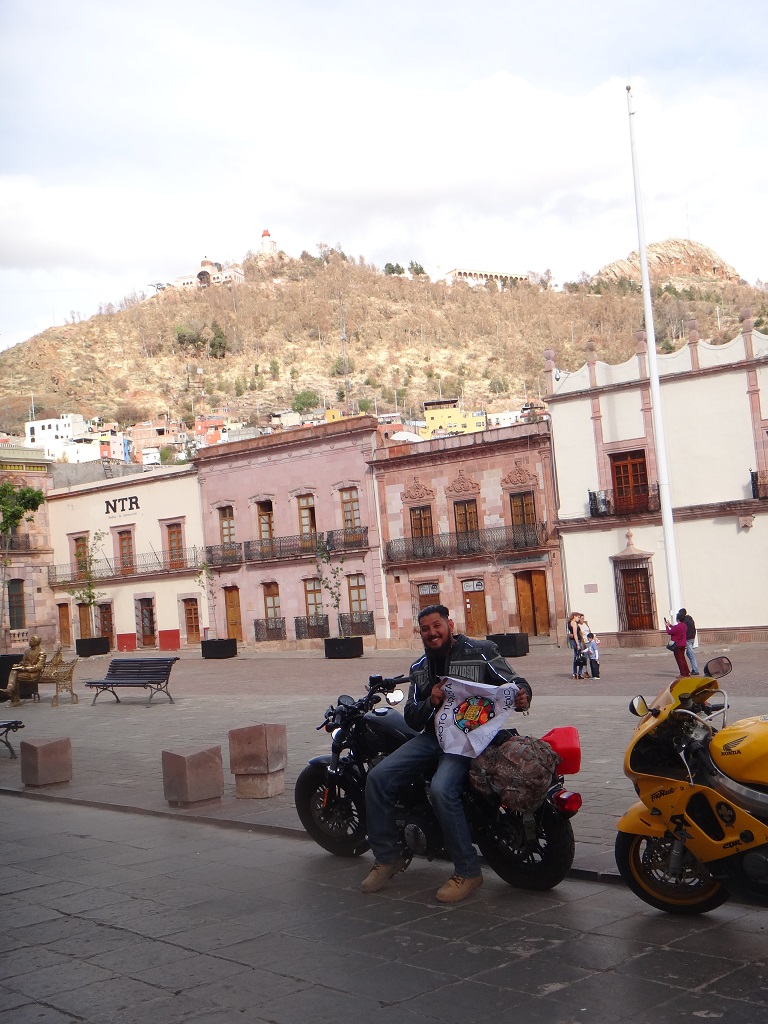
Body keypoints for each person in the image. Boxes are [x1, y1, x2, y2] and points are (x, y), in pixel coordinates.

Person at [361, 605, 532, 904]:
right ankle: (387, 857)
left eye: (436, 625)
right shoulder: (419, 668)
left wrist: (522, 695)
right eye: (425, 629)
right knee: (377, 777)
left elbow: (514, 681)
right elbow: (413, 717)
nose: (432, 633)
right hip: (431, 739)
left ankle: (468, 870)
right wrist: (431, 700)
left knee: (442, 788)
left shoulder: (480, 651)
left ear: (449, 624)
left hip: (470, 740)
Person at [1, 635, 46, 706]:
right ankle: (10, 691)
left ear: (36, 642)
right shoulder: (28, 651)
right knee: (14, 670)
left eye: (32, 640)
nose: (30, 641)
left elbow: (39, 667)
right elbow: (23, 662)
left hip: (33, 674)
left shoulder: (41, 652)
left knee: (15, 675)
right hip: (24, 672)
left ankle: (13, 696)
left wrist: (25, 668)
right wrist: (18, 665)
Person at [664, 612, 690, 678]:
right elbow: (675, 629)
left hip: (677, 645)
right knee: (683, 658)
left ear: (677, 619)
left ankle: (683, 673)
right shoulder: (684, 626)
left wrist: (667, 626)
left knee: (679, 659)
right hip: (683, 644)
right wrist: (670, 625)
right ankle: (687, 672)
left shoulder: (677, 627)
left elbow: (669, 632)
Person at [678, 608, 699, 675]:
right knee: (689, 653)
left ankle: (695, 670)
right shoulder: (690, 619)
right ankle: (693, 669)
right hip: (692, 637)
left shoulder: (684, 621)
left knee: (691, 654)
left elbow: (682, 630)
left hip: (688, 638)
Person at [567, 612, 584, 679]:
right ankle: (578, 673)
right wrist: (578, 644)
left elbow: (570, 633)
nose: (579, 619)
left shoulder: (569, 622)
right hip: (577, 641)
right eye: (578, 617)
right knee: (580, 657)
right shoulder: (574, 623)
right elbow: (575, 634)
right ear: (574, 616)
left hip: (573, 641)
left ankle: (575, 673)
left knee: (576, 656)